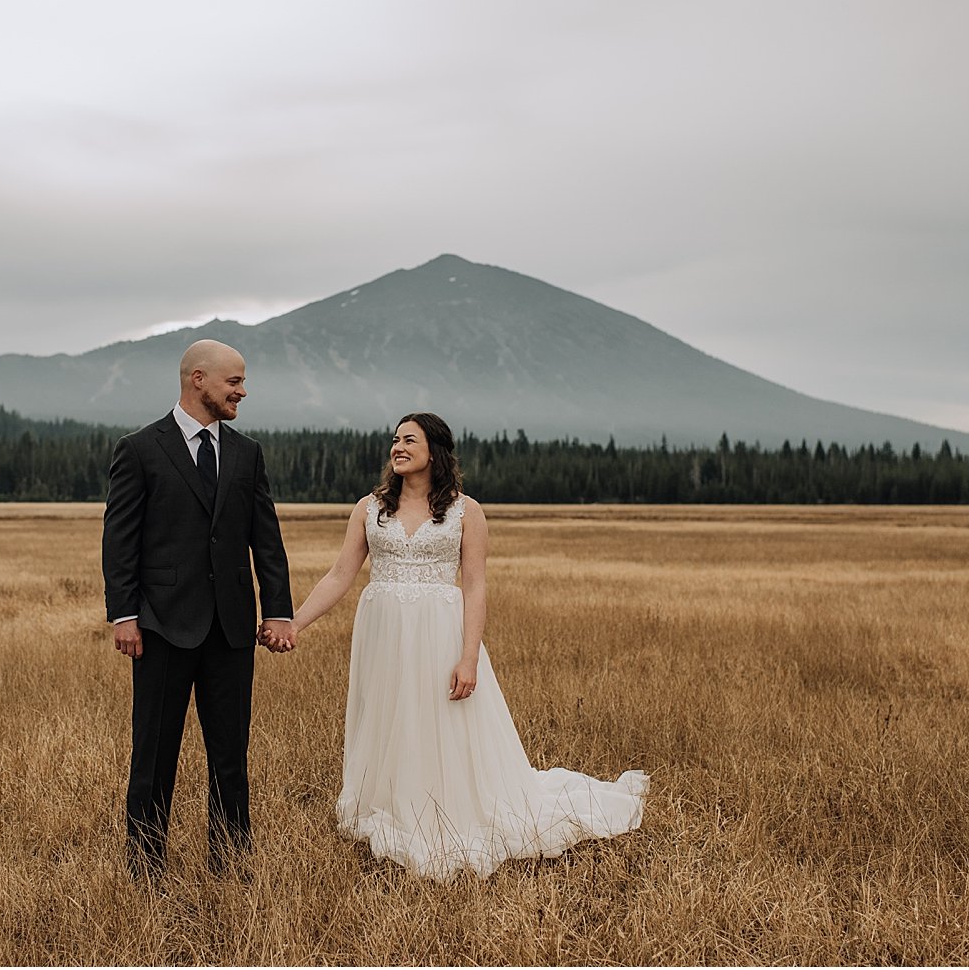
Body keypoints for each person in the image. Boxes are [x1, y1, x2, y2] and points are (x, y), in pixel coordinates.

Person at [270, 412, 647, 880]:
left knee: (440, 722)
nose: (398, 447)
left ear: (436, 451)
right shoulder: (370, 508)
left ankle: (442, 808)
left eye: (410, 440)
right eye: (395, 440)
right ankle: (390, 802)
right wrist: (294, 624)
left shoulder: (466, 511)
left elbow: (475, 587)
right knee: (391, 717)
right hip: (384, 635)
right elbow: (340, 575)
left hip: (440, 634)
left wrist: (469, 657)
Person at [102, 339, 296, 879]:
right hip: (162, 625)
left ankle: (231, 864)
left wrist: (277, 609)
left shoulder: (246, 452)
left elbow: (267, 538)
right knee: (155, 755)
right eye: (234, 382)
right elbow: (120, 539)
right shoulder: (139, 449)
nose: (243, 390)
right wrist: (124, 614)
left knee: (231, 756)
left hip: (232, 628)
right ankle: (146, 868)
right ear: (199, 380)